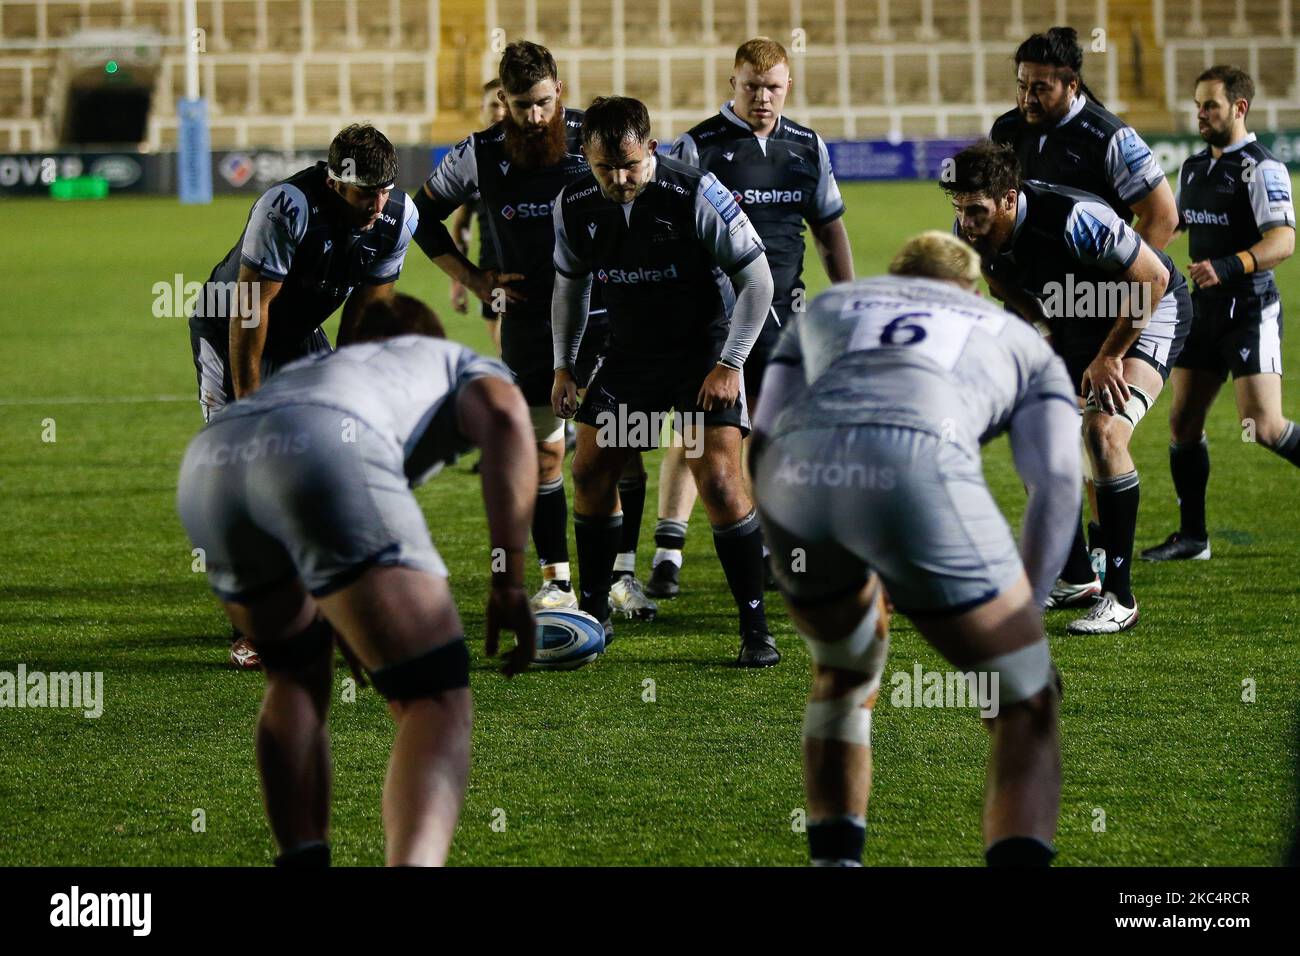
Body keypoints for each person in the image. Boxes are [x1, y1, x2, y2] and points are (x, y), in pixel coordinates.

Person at [751, 232, 1079, 866]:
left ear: (894, 277)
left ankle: (836, 861)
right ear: (972, 288)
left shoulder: (829, 306)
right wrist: (1028, 617)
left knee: (843, 672)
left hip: (795, 476)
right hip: (918, 469)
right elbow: (1059, 482)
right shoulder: (1016, 335)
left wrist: (787, 547)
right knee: (1025, 703)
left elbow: (762, 435)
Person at [176, 294, 537, 866]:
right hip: (326, 442)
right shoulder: (447, 358)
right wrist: (509, 579)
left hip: (211, 461)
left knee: (294, 674)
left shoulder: (322, 368)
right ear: (428, 335)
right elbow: (504, 415)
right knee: (435, 696)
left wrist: (343, 605)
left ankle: (301, 857)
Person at [412, 41, 653, 619]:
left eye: (543, 102)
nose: (535, 116)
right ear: (504, 101)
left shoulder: (592, 140)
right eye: (521, 105)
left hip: (608, 318)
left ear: (559, 92)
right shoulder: (479, 153)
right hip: (528, 324)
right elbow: (418, 216)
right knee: (545, 455)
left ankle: (623, 575)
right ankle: (557, 581)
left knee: (620, 453)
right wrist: (474, 279)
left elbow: (646, 196)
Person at [550, 96, 780, 666]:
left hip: (702, 353)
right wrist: (564, 364)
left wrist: (730, 364)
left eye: (630, 164)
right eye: (605, 168)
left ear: (651, 148)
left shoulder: (697, 192)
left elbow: (759, 281)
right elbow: (571, 289)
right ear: (587, 158)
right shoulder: (574, 204)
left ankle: (755, 629)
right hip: (631, 357)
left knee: (721, 480)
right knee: (591, 467)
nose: (619, 179)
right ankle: (596, 612)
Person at [187, 123, 418, 668]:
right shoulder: (286, 206)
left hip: (298, 333)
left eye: (385, 188)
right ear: (336, 182)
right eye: (366, 191)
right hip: (232, 330)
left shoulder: (397, 216)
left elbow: (366, 310)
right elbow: (252, 307)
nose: (377, 202)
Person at [945, 139, 1192, 633]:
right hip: (1076, 320)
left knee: (1102, 432)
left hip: (1148, 310)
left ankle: (1120, 597)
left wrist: (1109, 357)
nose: (966, 224)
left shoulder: (1076, 218)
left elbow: (1151, 280)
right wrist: (1044, 334)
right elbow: (999, 283)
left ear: (1010, 199)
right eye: (959, 211)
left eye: (977, 212)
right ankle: (1077, 575)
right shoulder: (973, 232)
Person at [647, 36, 853, 600]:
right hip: (711, 316)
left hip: (783, 313)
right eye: (753, 86)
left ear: (789, 88)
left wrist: (848, 299)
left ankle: (762, 547)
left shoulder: (808, 147)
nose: (763, 98)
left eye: (774, 88)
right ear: (732, 85)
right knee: (698, 430)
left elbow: (829, 230)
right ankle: (668, 549)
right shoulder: (696, 147)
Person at [990, 26, 1180, 608]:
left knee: (1101, 431)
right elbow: (1000, 227)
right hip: (1055, 309)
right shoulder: (1006, 133)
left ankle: (1109, 572)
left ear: (1071, 84)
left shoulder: (1108, 136)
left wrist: (1113, 304)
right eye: (1022, 85)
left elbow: (1162, 218)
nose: (1027, 98)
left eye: (1040, 87)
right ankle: (1077, 573)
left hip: (1118, 307)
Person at [1142, 65, 1298, 561]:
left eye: (1210, 105)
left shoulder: (1261, 168)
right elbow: (1181, 219)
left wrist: (1228, 266)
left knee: (1264, 426)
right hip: (1203, 311)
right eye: (1197, 105)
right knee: (1183, 423)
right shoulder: (1192, 167)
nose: (1200, 114)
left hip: (1249, 309)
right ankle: (1193, 538)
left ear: (1239, 107)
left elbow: (1283, 240)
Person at [448, 78, 508, 353]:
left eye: (504, 103)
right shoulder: (471, 160)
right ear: (481, 108)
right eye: (493, 104)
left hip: (534, 272)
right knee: (505, 352)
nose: (499, 111)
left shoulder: (533, 156)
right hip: (491, 275)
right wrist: (460, 279)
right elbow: (462, 226)